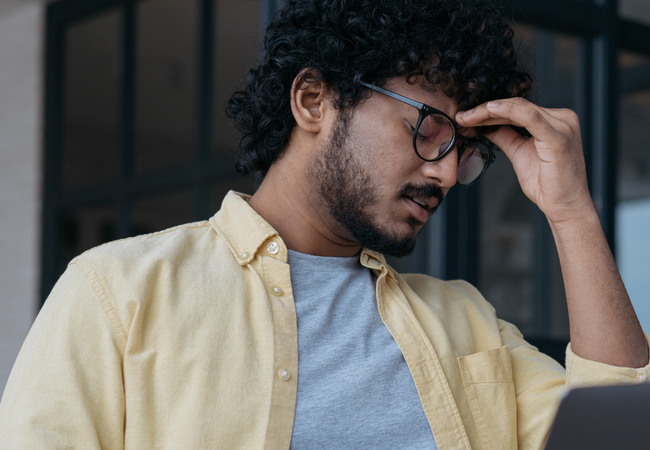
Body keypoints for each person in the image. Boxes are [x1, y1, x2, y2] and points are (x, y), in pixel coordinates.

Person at [1, 0, 649, 448]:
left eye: (467, 153)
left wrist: (571, 213)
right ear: (313, 100)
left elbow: (623, 434)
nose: (448, 174)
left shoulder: (466, 322)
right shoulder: (118, 292)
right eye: (429, 130)